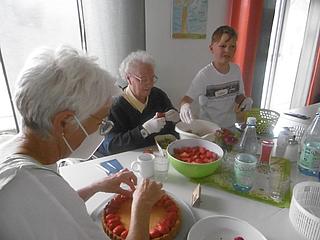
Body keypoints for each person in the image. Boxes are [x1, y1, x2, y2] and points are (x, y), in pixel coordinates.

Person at [0, 46, 164, 240]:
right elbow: (46, 202)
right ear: (63, 123)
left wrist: (95, 186)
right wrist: (142, 206)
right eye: (101, 121)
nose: (102, 130)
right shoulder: (29, 187)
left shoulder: (17, 150)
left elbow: (56, 207)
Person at [98, 50, 180, 156]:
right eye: (143, 79)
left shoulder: (158, 95)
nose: (150, 84)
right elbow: (110, 145)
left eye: (152, 78)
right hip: (130, 160)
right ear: (128, 79)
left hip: (157, 155)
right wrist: (144, 130)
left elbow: (172, 132)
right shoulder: (114, 106)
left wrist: (175, 118)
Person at [179, 25, 253, 129]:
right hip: (208, 129)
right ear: (211, 48)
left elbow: (238, 96)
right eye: (223, 46)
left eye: (232, 46)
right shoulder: (204, 75)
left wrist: (245, 101)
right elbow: (186, 99)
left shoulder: (236, 70)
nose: (227, 50)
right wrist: (184, 107)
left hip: (230, 128)